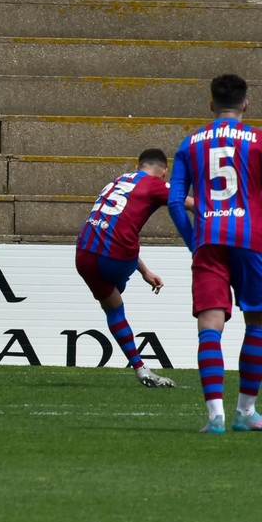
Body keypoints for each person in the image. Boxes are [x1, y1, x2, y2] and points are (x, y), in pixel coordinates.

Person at [167, 74, 262, 434]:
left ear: (211, 104)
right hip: (251, 240)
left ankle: (215, 416)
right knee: (257, 322)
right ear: (246, 104)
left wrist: (195, 242)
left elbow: (175, 201)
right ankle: (246, 412)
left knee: (210, 327)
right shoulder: (257, 141)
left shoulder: (190, 144)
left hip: (209, 240)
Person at [74, 148, 175, 389]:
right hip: (117, 259)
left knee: (114, 310)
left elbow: (115, 226)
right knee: (117, 295)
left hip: (84, 255)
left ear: (138, 164)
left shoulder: (118, 180)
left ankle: (141, 369)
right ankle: (141, 369)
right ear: (164, 170)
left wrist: (145, 271)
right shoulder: (154, 183)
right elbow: (187, 202)